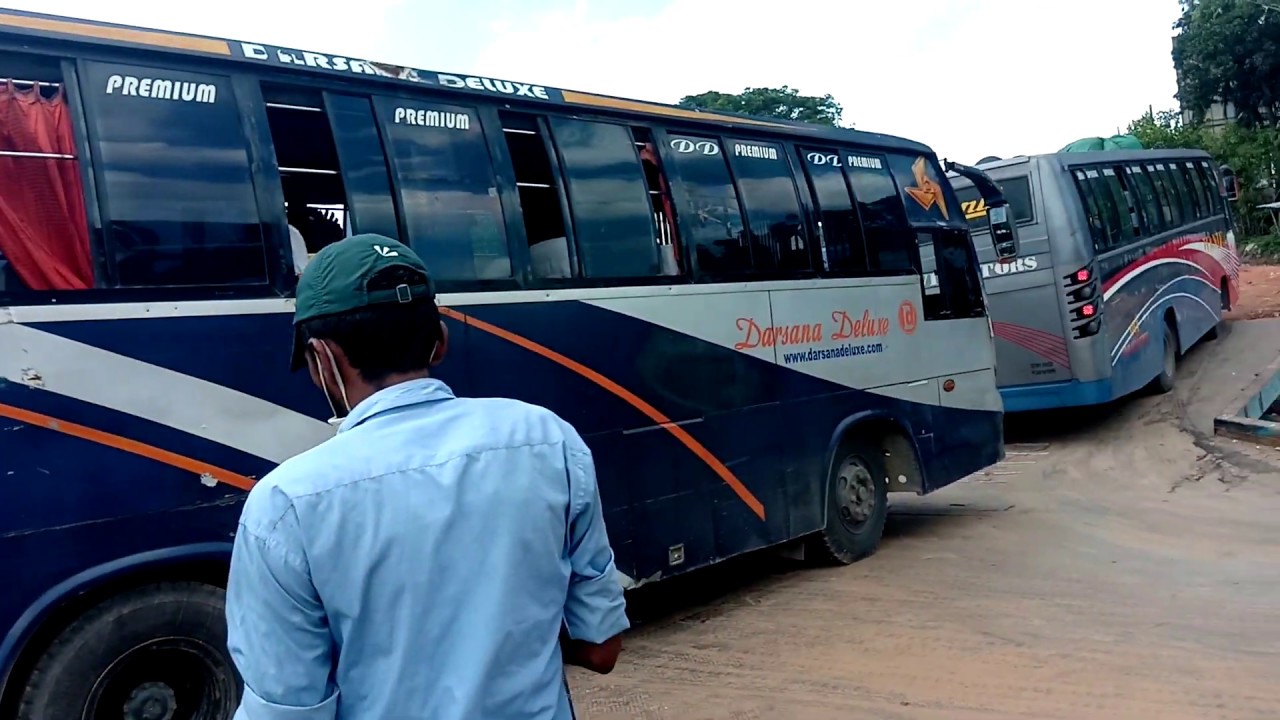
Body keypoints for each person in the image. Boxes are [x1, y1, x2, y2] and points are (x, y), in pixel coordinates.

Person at [225, 233, 629, 720]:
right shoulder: (548, 439)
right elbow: (601, 649)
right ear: (440, 340)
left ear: (323, 359)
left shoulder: (286, 504)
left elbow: (288, 709)